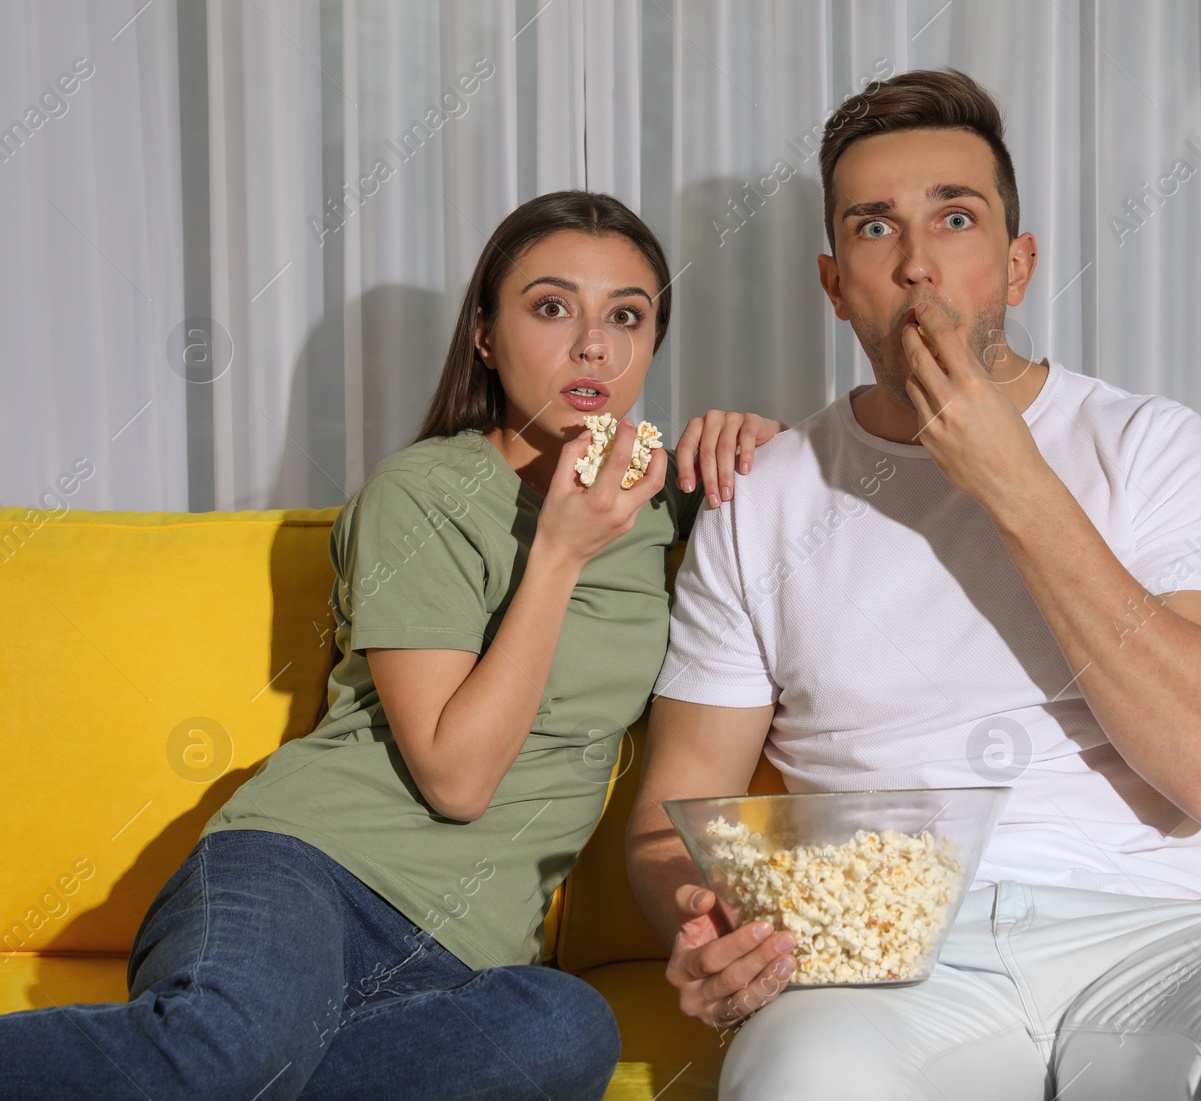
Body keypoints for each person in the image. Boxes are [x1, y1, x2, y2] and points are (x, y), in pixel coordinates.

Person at [624, 70, 1201, 1100]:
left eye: (954, 218)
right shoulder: (761, 495)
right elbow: (670, 815)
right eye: (875, 229)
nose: (917, 264)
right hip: (880, 964)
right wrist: (705, 921)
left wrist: (1011, 479)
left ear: (1015, 262)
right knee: (797, 1080)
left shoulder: (1147, 444)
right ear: (834, 284)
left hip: (1161, 937)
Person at [0, 190, 783, 1101]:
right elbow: (457, 777)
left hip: (463, 958)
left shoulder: (660, 499)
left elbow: (828, 502)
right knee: (230, 1052)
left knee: (569, 1027)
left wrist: (761, 442)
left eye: (627, 315)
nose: (593, 346)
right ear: (485, 334)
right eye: (551, 306)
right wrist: (558, 553)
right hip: (308, 873)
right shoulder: (424, 492)